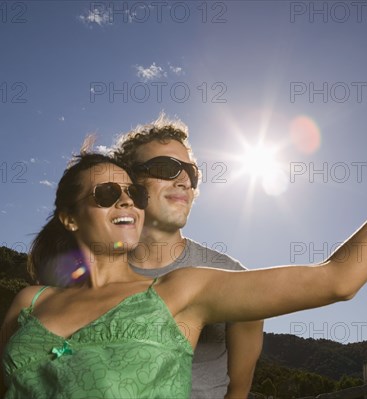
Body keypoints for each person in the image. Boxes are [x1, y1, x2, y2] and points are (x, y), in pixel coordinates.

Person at [0, 66, 367, 399]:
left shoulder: (186, 289)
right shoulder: (31, 299)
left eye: (194, 171)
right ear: (70, 215)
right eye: (112, 191)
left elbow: (336, 278)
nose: (182, 180)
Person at [112, 118, 264, 399]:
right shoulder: (95, 275)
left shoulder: (232, 276)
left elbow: (238, 390)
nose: (183, 181)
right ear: (128, 183)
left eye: (191, 173)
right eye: (165, 168)